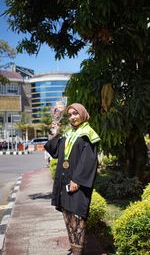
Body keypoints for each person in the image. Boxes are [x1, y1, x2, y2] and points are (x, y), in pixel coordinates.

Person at [44, 103, 100, 255]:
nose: (72, 117)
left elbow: (89, 160)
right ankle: (76, 250)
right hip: (64, 184)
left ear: (83, 114)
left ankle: (78, 251)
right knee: (68, 218)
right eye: (69, 115)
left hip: (77, 185)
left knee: (77, 219)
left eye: (75, 113)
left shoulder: (87, 133)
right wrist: (55, 123)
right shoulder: (69, 134)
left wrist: (77, 181)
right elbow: (53, 149)